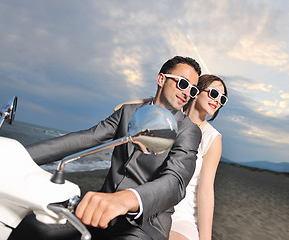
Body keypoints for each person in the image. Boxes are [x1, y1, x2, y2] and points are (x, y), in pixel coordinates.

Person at [15, 56, 203, 240]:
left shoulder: (188, 131)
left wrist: (127, 199)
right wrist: (18, 155)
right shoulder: (127, 113)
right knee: (31, 226)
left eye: (193, 90)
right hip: (99, 210)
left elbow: (175, 181)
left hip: (144, 226)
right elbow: (86, 138)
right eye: (183, 84)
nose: (187, 93)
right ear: (161, 79)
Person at [115, 74, 228, 240]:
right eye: (214, 94)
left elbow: (205, 191)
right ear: (196, 91)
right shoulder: (167, 120)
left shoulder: (212, 138)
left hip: (181, 216)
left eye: (222, 99)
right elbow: (119, 109)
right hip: (148, 202)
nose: (218, 100)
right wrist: (158, 100)